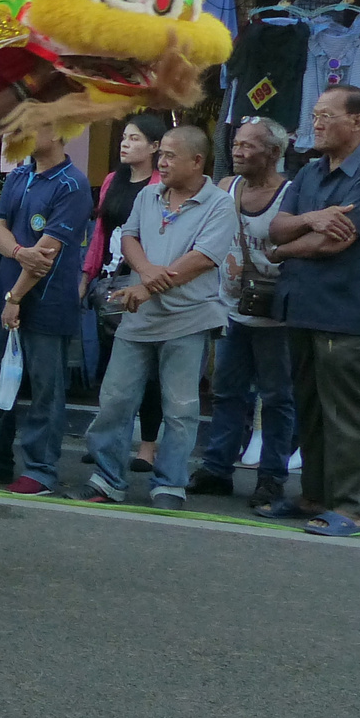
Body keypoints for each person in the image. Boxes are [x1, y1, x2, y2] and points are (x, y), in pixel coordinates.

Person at [76, 126, 237, 509]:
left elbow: (201, 259)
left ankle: (170, 485)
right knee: (115, 399)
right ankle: (108, 479)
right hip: (138, 315)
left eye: (170, 155)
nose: (161, 162)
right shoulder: (149, 194)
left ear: (197, 161)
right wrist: (145, 270)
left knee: (180, 408)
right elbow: (128, 236)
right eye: (160, 153)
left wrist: (147, 285)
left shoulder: (219, 204)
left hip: (189, 318)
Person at [263, 85, 360, 534]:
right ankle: (313, 496)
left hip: (345, 309)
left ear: (358, 122)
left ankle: (351, 507)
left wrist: (283, 254)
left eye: (326, 115)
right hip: (301, 304)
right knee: (310, 407)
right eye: (315, 115)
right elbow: (278, 225)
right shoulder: (308, 172)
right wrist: (310, 218)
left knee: (347, 412)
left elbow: (331, 243)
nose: (316, 123)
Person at [0, 126, 92, 495]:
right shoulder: (20, 175)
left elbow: (47, 252)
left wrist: (16, 297)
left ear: (59, 130)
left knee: (46, 387)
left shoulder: (73, 184)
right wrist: (16, 253)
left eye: (30, 126)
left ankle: (42, 469)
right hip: (5, 295)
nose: (19, 133)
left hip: (46, 301)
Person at [190, 117, 296, 507]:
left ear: (273, 153)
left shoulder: (291, 194)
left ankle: (271, 477)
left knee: (277, 397)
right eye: (236, 144)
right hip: (230, 308)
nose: (238, 151)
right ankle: (217, 468)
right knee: (226, 392)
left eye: (249, 146)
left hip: (276, 315)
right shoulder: (225, 187)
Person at [82, 114, 169, 470]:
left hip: (144, 283)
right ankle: (109, 438)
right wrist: (86, 276)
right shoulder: (111, 181)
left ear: (155, 147)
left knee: (148, 371)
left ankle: (148, 446)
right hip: (109, 281)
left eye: (135, 139)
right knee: (110, 370)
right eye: (124, 138)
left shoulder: (163, 184)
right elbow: (100, 234)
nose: (125, 144)